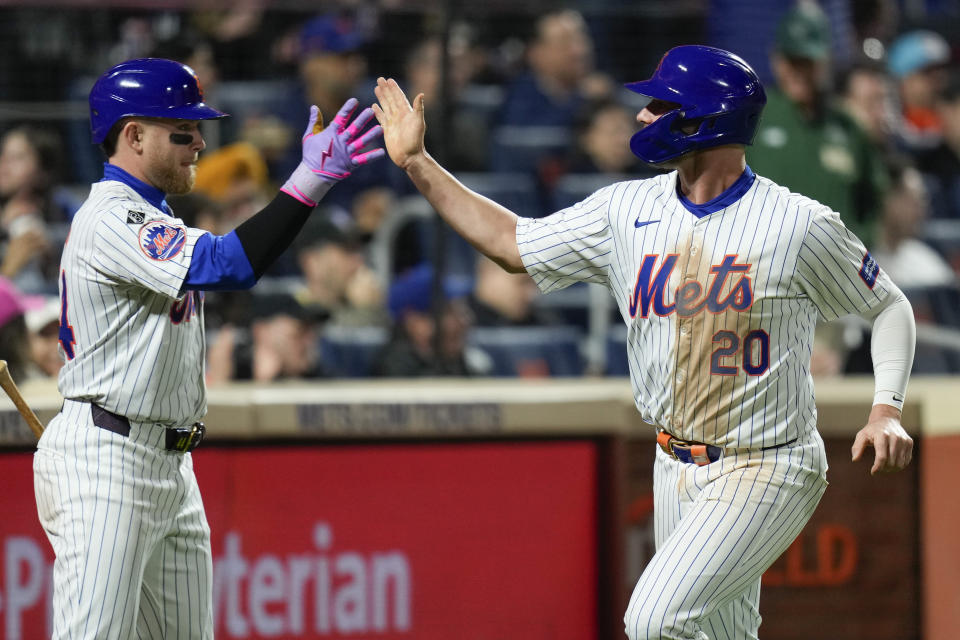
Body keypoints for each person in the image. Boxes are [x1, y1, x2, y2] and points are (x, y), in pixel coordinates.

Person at [373, 44, 915, 639]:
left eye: (661, 104)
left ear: (706, 119)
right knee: (721, 635)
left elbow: (888, 305)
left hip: (768, 463)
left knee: (654, 620)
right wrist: (418, 163)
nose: (642, 116)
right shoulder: (624, 209)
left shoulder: (798, 224)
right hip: (673, 462)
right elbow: (512, 244)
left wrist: (886, 407)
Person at [33, 57, 382, 638]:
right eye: (182, 129)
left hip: (167, 460)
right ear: (133, 135)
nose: (199, 141)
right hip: (107, 457)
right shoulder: (111, 218)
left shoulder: (153, 212)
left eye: (197, 126)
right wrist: (307, 183)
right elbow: (228, 264)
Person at [747, 2, 887, 248]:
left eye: (808, 61)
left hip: (836, 274)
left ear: (826, 60)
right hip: (767, 268)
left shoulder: (848, 127)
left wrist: (860, 246)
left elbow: (873, 200)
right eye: (794, 61)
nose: (801, 71)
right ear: (777, 60)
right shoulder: (752, 117)